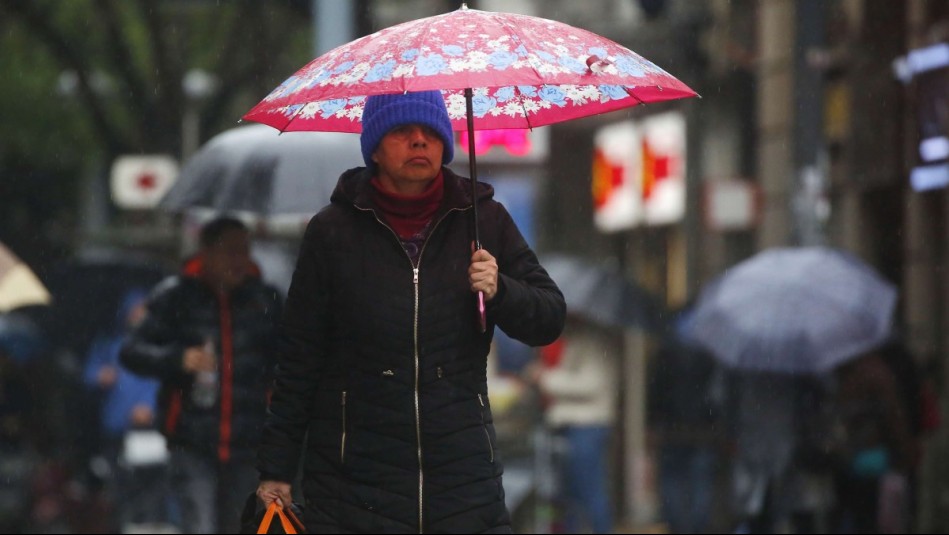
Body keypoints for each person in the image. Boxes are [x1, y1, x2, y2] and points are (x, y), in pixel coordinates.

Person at [254, 90, 566, 533]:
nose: (420, 142)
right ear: (375, 149)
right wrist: (277, 468)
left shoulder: (484, 219)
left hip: (463, 481)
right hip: (354, 485)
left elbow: (549, 318)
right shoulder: (332, 232)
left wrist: (501, 290)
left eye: (431, 133)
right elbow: (300, 357)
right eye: (403, 132)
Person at [120, 216, 283, 534]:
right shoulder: (176, 297)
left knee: (240, 525)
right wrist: (177, 358)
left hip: (248, 441)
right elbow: (132, 351)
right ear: (206, 253)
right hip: (192, 440)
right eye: (230, 250)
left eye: (244, 250)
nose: (239, 260)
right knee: (200, 524)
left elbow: (289, 360)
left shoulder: (265, 300)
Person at [82, 288, 172, 531]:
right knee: (117, 482)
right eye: (135, 310)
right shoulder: (109, 343)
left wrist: (151, 407)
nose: (138, 315)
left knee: (150, 482)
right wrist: (99, 376)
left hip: (147, 427)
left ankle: (147, 523)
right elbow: (89, 374)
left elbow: (164, 383)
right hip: (116, 426)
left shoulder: (158, 346)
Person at [528, 315, 617, 534]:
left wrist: (547, 379)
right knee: (570, 494)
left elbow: (592, 383)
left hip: (587, 425)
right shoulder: (577, 339)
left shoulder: (594, 341)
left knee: (588, 491)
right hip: (572, 425)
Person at [647, 307, 727, 534]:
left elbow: (655, 392)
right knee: (700, 485)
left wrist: (654, 423)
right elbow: (719, 396)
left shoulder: (666, 352)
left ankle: (679, 527)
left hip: (673, 430)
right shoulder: (713, 353)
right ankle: (696, 527)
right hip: (704, 431)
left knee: (673, 483)